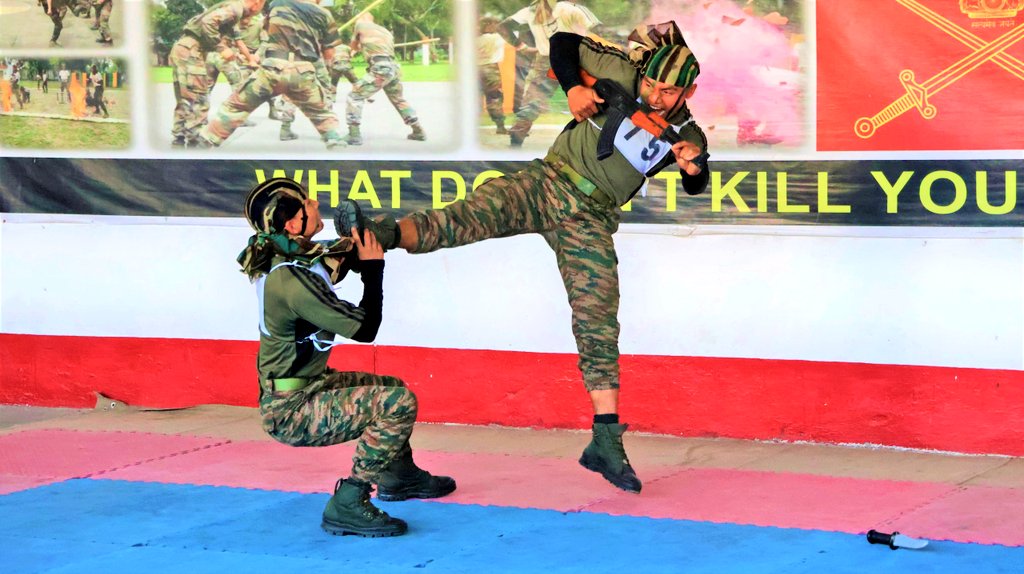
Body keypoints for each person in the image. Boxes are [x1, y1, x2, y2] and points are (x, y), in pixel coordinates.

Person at [337, 22, 710, 494]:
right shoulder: (620, 69)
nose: (656, 96)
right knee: (463, 219)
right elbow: (561, 43)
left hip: (590, 218)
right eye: (652, 85)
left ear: (689, 91)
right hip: (547, 182)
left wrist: (694, 166)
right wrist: (574, 86)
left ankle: (606, 438)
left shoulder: (687, 131)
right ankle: (373, 236)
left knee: (597, 316)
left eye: (669, 90)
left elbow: (697, 177)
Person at [238, 178, 456, 537]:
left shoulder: (290, 254)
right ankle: (350, 500)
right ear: (292, 224)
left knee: (390, 387)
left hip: (307, 387)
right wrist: (374, 269)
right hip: (292, 410)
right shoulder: (290, 280)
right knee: (397, 404)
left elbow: (338, 257)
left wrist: (366, 238)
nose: (314, 202)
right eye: (306, 203)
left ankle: (400, 477)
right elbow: (365, 329)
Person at [198, 0, 347, 149]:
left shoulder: (278, 3)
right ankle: (337, 147)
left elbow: (268, 28)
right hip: (303, 71)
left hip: (272, 69)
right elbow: (329, 55)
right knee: (323, 116)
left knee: (235, 108)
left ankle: (204, 145)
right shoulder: (325, 15)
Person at [498, 0, 599, 146]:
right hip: (577, 58)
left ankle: (516, 142)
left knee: (531, 105)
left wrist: (521, 47)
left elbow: (502, 27)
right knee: (592, 100)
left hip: (545, 61)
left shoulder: (531, 11)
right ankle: (594, 141)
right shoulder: (571, 8)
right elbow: (595, 32)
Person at [169, 0, 265, 147]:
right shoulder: (235, 9)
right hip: (191, 51)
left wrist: (237, 54)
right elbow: (208, 23)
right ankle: (195, 141)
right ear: (256, 3)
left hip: (184, 49)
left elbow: (233, 39)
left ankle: (179, 137)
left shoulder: (233, 11)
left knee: (186, 97)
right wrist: (220, 48)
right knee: (198, 96)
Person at [344, 12, 426, 145]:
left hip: (380, 67)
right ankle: (418, 130)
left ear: (361, 18)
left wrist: (352, 50)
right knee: (398, 100)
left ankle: (354, 135)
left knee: (355, 96)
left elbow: (353, 47)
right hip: (393, 68)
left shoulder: (360, 24)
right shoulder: (385, 31)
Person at [478, 15, 508, 134]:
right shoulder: (496, 38)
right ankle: (500, 126)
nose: (497, 26)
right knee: (494, 98)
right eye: (495, 24)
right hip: (490, 69)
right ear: (489, 25)